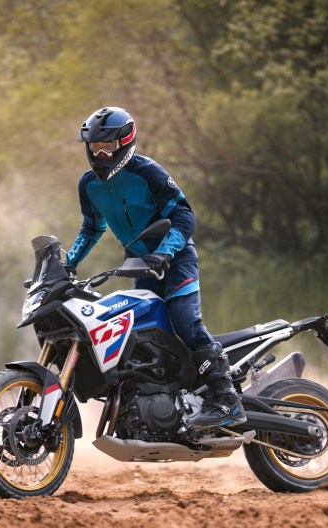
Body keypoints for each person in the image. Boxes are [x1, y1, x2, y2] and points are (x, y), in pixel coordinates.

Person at [64, 106, 245, 430]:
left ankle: (227, 400)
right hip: (141, 268)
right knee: (139, 339)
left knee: (185, 322)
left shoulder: (148, 173)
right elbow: (91, 228)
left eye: (106, 147)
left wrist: (164, 253)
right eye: (93, 148)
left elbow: (184, 216)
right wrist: (68, 264)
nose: (100, 154)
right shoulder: (88, 185)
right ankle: (150, 406)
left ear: (125, 142)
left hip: (176, 261)